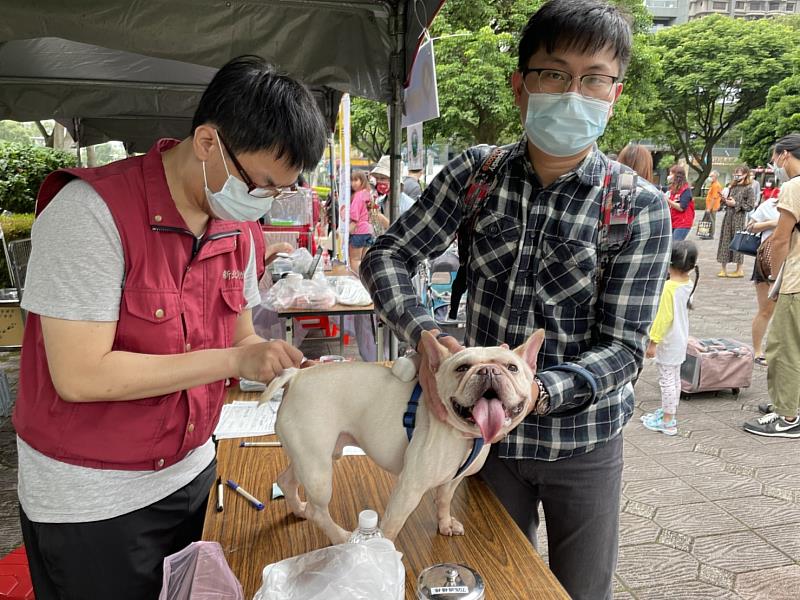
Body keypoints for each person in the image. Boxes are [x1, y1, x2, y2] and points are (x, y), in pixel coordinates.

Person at [360, 2, 671, 598]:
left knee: (579, 589)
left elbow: (627, 350)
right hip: (475, 445)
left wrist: (535, 390)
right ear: (521, 84)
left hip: (583, 441)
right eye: (554, 73)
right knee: (493, 578)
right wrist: (422, 329)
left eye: (593, 78)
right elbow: (387, 255)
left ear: (614, 93)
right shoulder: (476, 176)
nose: (573, 92)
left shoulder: (637, 206)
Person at [12, 56, 328, 599]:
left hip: (192, 474)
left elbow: (241, 338)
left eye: (279, 192)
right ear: (208, 143)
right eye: (261, 184)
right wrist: (235, 362)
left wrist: (274, 362)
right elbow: (81, 375)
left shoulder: (237, 230)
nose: (263, 203)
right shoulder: (90, 213)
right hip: (95, 502)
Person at [744, 133, 800, 437]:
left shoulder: (794, 186)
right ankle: (789, 401)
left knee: (783, 348)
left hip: (796, 279)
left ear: (785, 155)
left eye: (775, 156)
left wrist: (777, 277)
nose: (775, 163)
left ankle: (787, 416)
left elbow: (780, 238)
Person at [641, 241, 699, 435]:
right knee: (674, 378)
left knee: (666, 380)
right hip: (680, 338)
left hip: (668, 341)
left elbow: (663, 318)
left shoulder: (668, 288)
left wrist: (653, 342)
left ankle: (667, 421)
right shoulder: (688, 284)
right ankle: (669, 413)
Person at [746, 188, 780, 366]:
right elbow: (751, 226)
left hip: (793, 262)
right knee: (766, 309)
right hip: (767, 262)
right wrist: (774, 223)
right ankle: (758, 350)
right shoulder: (770, 205)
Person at [716, 165, 755, 278]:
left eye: (740, 174)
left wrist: (736, 204)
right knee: (725, 240)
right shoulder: (731, 187)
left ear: (745, 175)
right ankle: (723, 268)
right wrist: (724, 200)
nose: (737, 176)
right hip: (728, 216)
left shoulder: (749, 188)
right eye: (736, 173)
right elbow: (724, 203)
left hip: (739, 218)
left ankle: (739, 269)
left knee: (738, 241)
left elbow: (750, 206)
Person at [347, 170, 374, 271]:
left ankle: (359, 283)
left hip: (358, 231)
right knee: (364, 261)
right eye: (351, 180)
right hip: (368, 231)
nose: (353, 183)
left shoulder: (358, 195)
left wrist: (345, 232)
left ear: (362, 180)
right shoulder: (367, 194)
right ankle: (365, 284)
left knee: (355, 260)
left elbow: (355, 217)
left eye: (356, 180)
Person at [666, 164, 695, 241]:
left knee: (675, 245)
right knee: (670, 245)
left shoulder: (686, 190)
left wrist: (667, 200)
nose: (669, 176)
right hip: (674, 221)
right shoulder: (673, 188)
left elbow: (682, 207)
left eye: (671, 174)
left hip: (683, 223)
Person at [704, 170, 723, 238]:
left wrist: (709, 208)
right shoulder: (712, 184)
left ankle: (710, 235)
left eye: (711, 176)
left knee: (711, 220)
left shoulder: (716, 185)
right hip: (709, 206)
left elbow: (714, 198)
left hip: (712, 207)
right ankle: (705, 233)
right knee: (708, 220)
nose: (709, 177)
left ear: (715, 177)